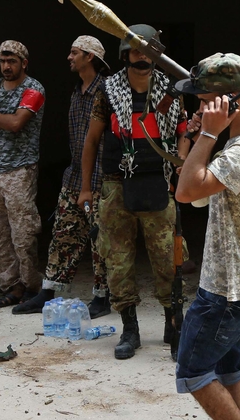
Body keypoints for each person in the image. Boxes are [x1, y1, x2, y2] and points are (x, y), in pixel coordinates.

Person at [173, 53, 240, 420]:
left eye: (203, 101)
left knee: (194, 371)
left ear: (227, 101)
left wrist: (206, 133)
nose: (198, 109)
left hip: (228, 289)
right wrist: (206, 136)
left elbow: (185, 193)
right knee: (229, 370)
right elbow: (199, 193)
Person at [77, 24, 185, 360]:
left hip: (157, 181)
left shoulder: (171, 90)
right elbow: (92, 141)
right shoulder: (107, 92)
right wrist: (85, 189)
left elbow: (184, 132)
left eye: (148, 50)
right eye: (135, 51)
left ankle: (172, 324)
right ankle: (130, 328)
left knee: (168, 259)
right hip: (115, 185)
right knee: (118, 261)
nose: (142, 57)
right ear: (125, 55)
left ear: (157, 54)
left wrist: (181, 166)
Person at [14, 36, 111, 318]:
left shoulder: (105, 92)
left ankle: (103, 296)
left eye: (74, 52)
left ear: (89, 57)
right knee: (63, 234)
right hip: (75, 177)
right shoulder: (77, 91)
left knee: (99, 240)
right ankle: (49, 291)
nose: (69, 57)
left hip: (99, 181)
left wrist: (90, 186)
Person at [0, 40, 45, 308]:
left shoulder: (33, 89)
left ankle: (32, 287)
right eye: (3, 61)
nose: (6, 66)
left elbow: (16, 124)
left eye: (12, 61)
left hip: (20, 170)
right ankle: (11, 287)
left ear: (23, 63)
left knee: (23, 233)